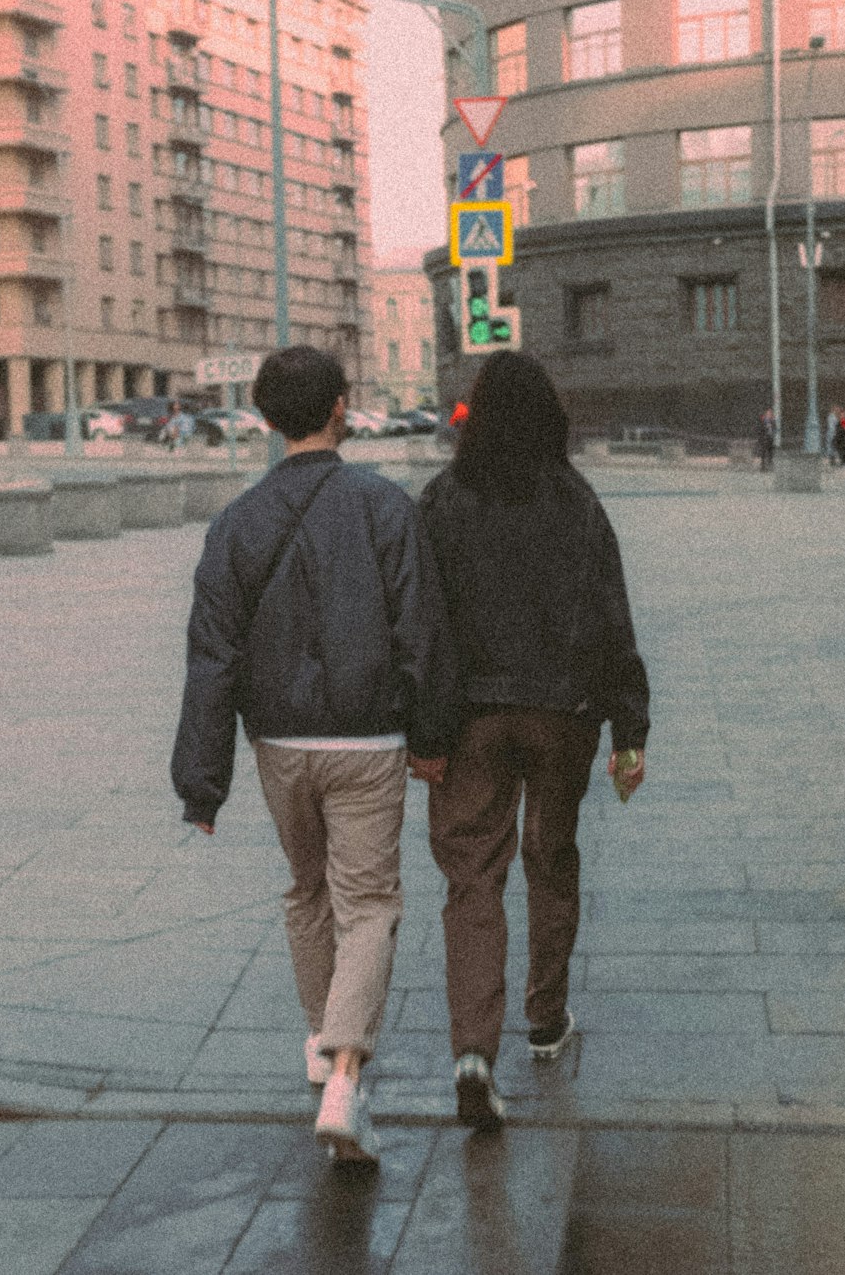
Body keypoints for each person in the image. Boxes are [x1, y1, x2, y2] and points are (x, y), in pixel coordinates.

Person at [171, 346, 461, 1165]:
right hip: (367, 740)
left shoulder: (236, 522)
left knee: (305, 892)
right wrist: (433, 740)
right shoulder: (383, 507)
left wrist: (202, 785)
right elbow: (421, 630)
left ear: (265, 417)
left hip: (280, 745)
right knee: (367, 903)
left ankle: (318, 1040)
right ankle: (344, 1073)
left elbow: (212, 656)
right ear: (339, 406)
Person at [418, 351, 650, 1132]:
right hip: (562, 715)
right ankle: (546, 1022)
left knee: (472, 879)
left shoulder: (444, 501)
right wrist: (630, 727)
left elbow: (422, 626)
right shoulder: (577, 503)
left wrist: (424, 728)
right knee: (551, 857)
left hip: (471, 719)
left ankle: (474, 1053)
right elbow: (612, 619)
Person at [755, 407, 777, 471]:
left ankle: (769, 465)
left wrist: (772, 430)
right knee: (763, 453)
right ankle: (763, 466)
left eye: (771, 413)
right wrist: (765, 428)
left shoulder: (772, 421)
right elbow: (759, 429)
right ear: (766, 414)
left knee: (770, 453)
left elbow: (775, 428)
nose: (770, 414)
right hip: (764, 439)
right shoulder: (762, 420)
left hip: (770, 439)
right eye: (768, 413)